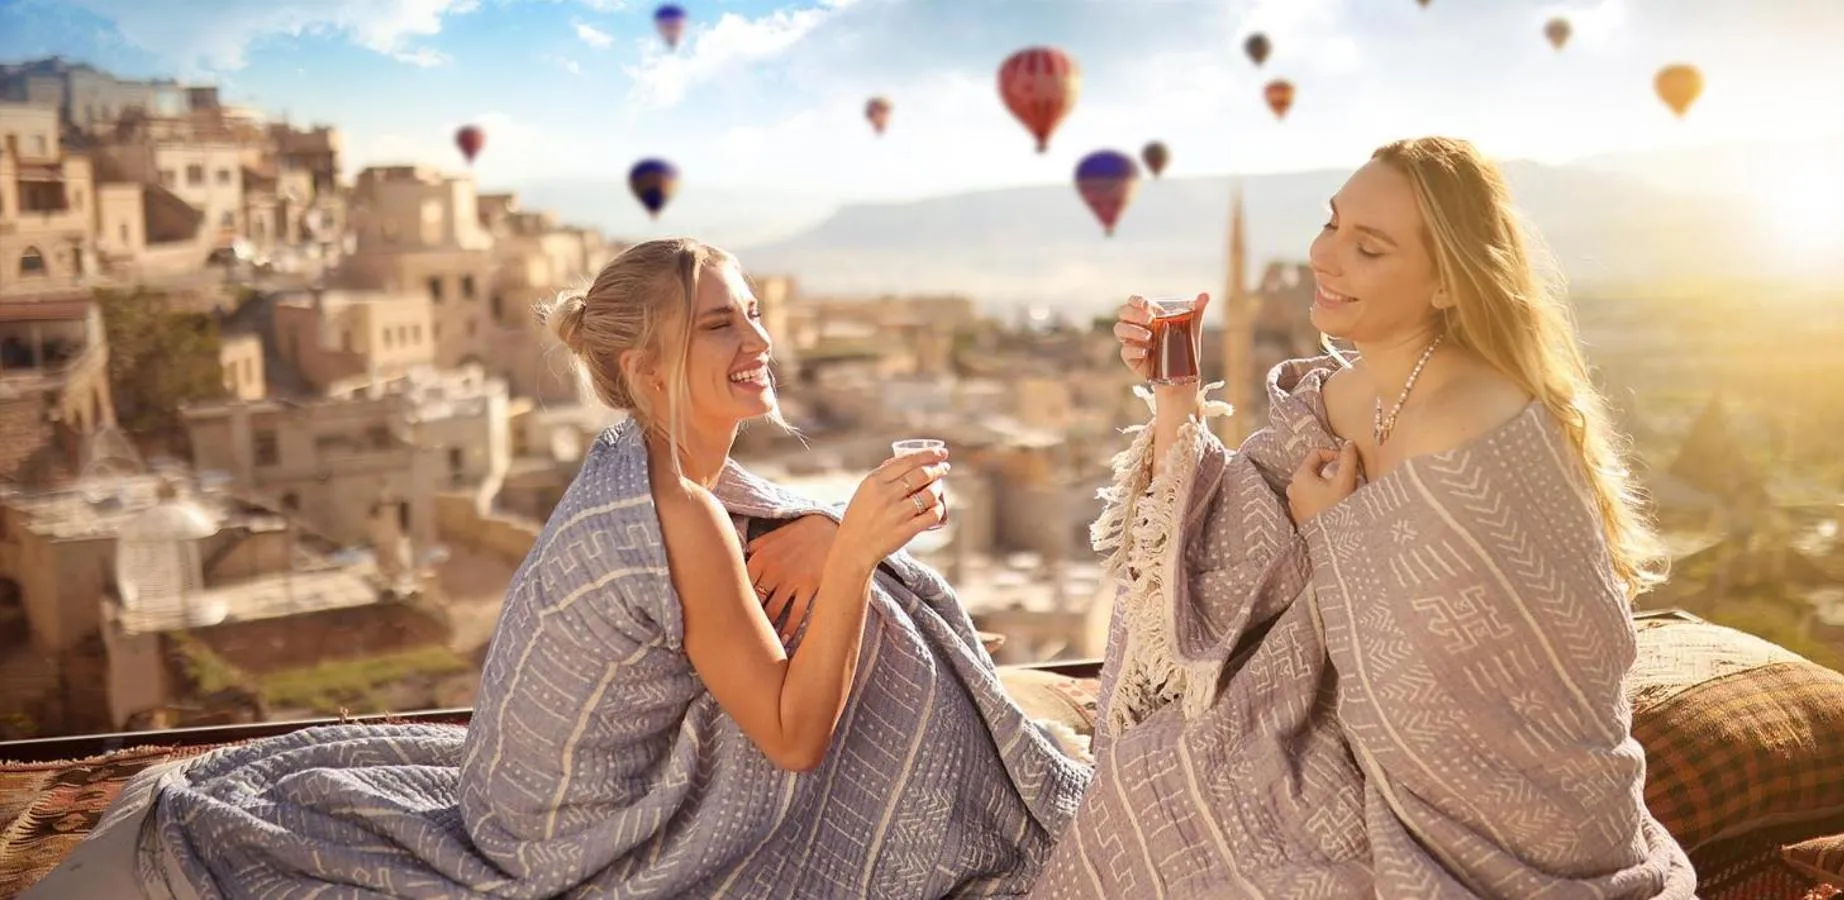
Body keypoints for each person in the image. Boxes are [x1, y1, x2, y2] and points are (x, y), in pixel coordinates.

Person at [25, 239, 1087, 900]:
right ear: (645, 366)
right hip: (568, 849)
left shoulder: (643, 463)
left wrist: (819, 532)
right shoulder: (684, 516)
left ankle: (982, 773)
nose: (758, 336)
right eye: (722, 322)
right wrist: (851, 548)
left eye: (755, 310)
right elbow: (795, 737)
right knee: (870, 620)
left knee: (849, 600)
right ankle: (990, 799)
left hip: (513, 798)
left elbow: (741, 556)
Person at [1030, 137, 1696, 898]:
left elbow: (1445, 685)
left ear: (1447, 284)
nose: (1326, 257)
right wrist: (1175, 394)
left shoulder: (1474, 426)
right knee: (1165, 764)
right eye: (1330, 224)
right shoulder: (1344, 397)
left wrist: (1330, 529)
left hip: (1501, 806)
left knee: (1216, 809)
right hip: (1375, 741)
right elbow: (1227, 545)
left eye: (1368, 248)